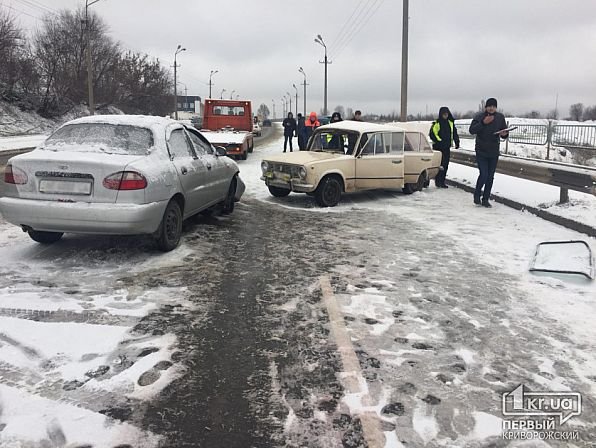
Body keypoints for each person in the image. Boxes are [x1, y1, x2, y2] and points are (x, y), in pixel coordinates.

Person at [469, 97, 509, 207]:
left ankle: (486, 199)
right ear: (486, 107)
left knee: (490, 176)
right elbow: (472, 130)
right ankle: (477, 194)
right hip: (481, 151)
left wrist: (504, 134)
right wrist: (483, 122)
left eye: (494, 106)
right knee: (484, 174)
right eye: (489, 106)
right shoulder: (479, 116)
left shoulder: (500, 117)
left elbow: (504, 132)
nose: (491, 108)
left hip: (494, 151)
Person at [429, 106, 459, 188]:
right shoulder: (437, 123)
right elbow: (432, 134)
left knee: (445, 165)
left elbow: (454, 133)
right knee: (439, 165)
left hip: (446, 147)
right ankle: (438, 181)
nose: (445, 116)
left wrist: (457, 142)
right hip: (438, 148)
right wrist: (439, 141)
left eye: (446, 114)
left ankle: (442, 181)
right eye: (444, 114)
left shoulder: (450, 123)